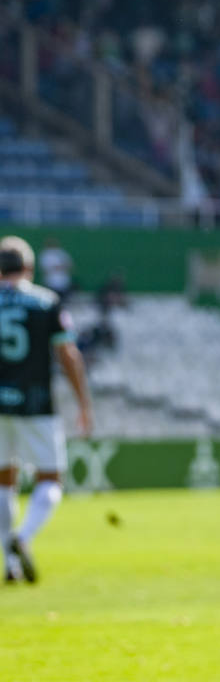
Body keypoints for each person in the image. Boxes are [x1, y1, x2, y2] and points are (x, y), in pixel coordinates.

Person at [0, 235, 92, 584]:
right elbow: (68, 354)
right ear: (29, 269)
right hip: (36, 404)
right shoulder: (45, 301)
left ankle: (9, 561)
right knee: (51, 479)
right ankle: (22, 538)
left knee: (3, 481)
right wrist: (83, 402)